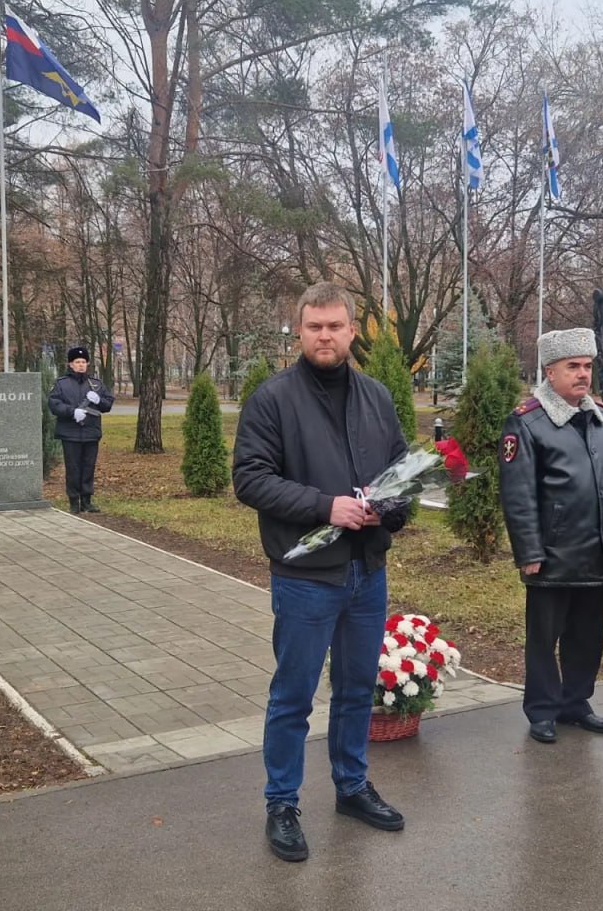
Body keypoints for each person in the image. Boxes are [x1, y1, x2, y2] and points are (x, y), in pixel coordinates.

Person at [232, 282, 410, 863]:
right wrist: (324, 506)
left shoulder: (377, 397)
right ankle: (282, 803)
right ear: (299, 331)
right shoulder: (273, 400)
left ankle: (351, 786)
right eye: (315, 327)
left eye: (335, 326)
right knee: (294, 695)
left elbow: (401, 471)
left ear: (353, 330)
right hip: (306, 576)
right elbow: (250, 478)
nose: (325, 336)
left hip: (367, 571)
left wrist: (392, 507)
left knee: (357, 689)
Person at [498, 328, 603, 745]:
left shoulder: (602, 420)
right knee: (544, 638)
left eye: (587, 366)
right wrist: (528, 551)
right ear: (550, 371)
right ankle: (542, 709)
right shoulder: (527, 422)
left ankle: (576, 702)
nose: (582, 374)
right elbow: (518, 494)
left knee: (588, 634)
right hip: (552, 552)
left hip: (596, 550)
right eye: (572, 366)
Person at [47, 346, 115, 513]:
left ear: (87, 364)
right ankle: (73, 501)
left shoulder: (96, 384)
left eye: (83, 362)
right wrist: (72, 412)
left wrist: (99, 400)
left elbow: (108, 405)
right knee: (73, 468)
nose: (81, 365)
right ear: (71, 364)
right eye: (77, 362)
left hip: (91, 432)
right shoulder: (61, 384)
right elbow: (54, 405)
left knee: (88, 467)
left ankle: (87, 500)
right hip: (70, 433)